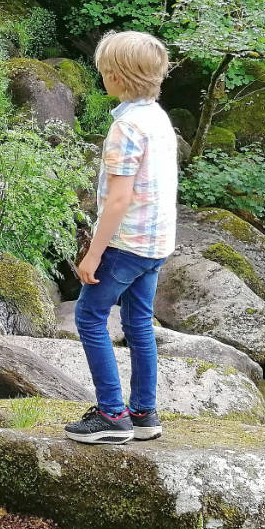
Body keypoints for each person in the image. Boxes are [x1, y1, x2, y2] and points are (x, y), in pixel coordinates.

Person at [65, 30, 178, 445]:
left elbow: (118, 200)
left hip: (126, 243)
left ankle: (112, 414)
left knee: (90, 317)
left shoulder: (126, 127)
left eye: (103, 71)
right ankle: (144, 413)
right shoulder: (157, 118)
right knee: (138, 324)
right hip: (156, 241)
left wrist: (93, 254)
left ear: (114, 76)